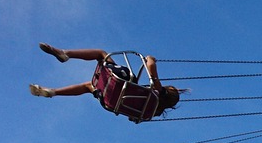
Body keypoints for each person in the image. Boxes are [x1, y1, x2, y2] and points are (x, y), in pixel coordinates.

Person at [29, 43, 183, 116]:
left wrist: (151, 59)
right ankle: (53, 92)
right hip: (110, 102)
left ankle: (65, 53)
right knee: (87, 87)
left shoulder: (158, 92)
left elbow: (150, 66)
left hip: (121, 83)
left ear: (168, 92)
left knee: (101, 54)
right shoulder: (153, 111)